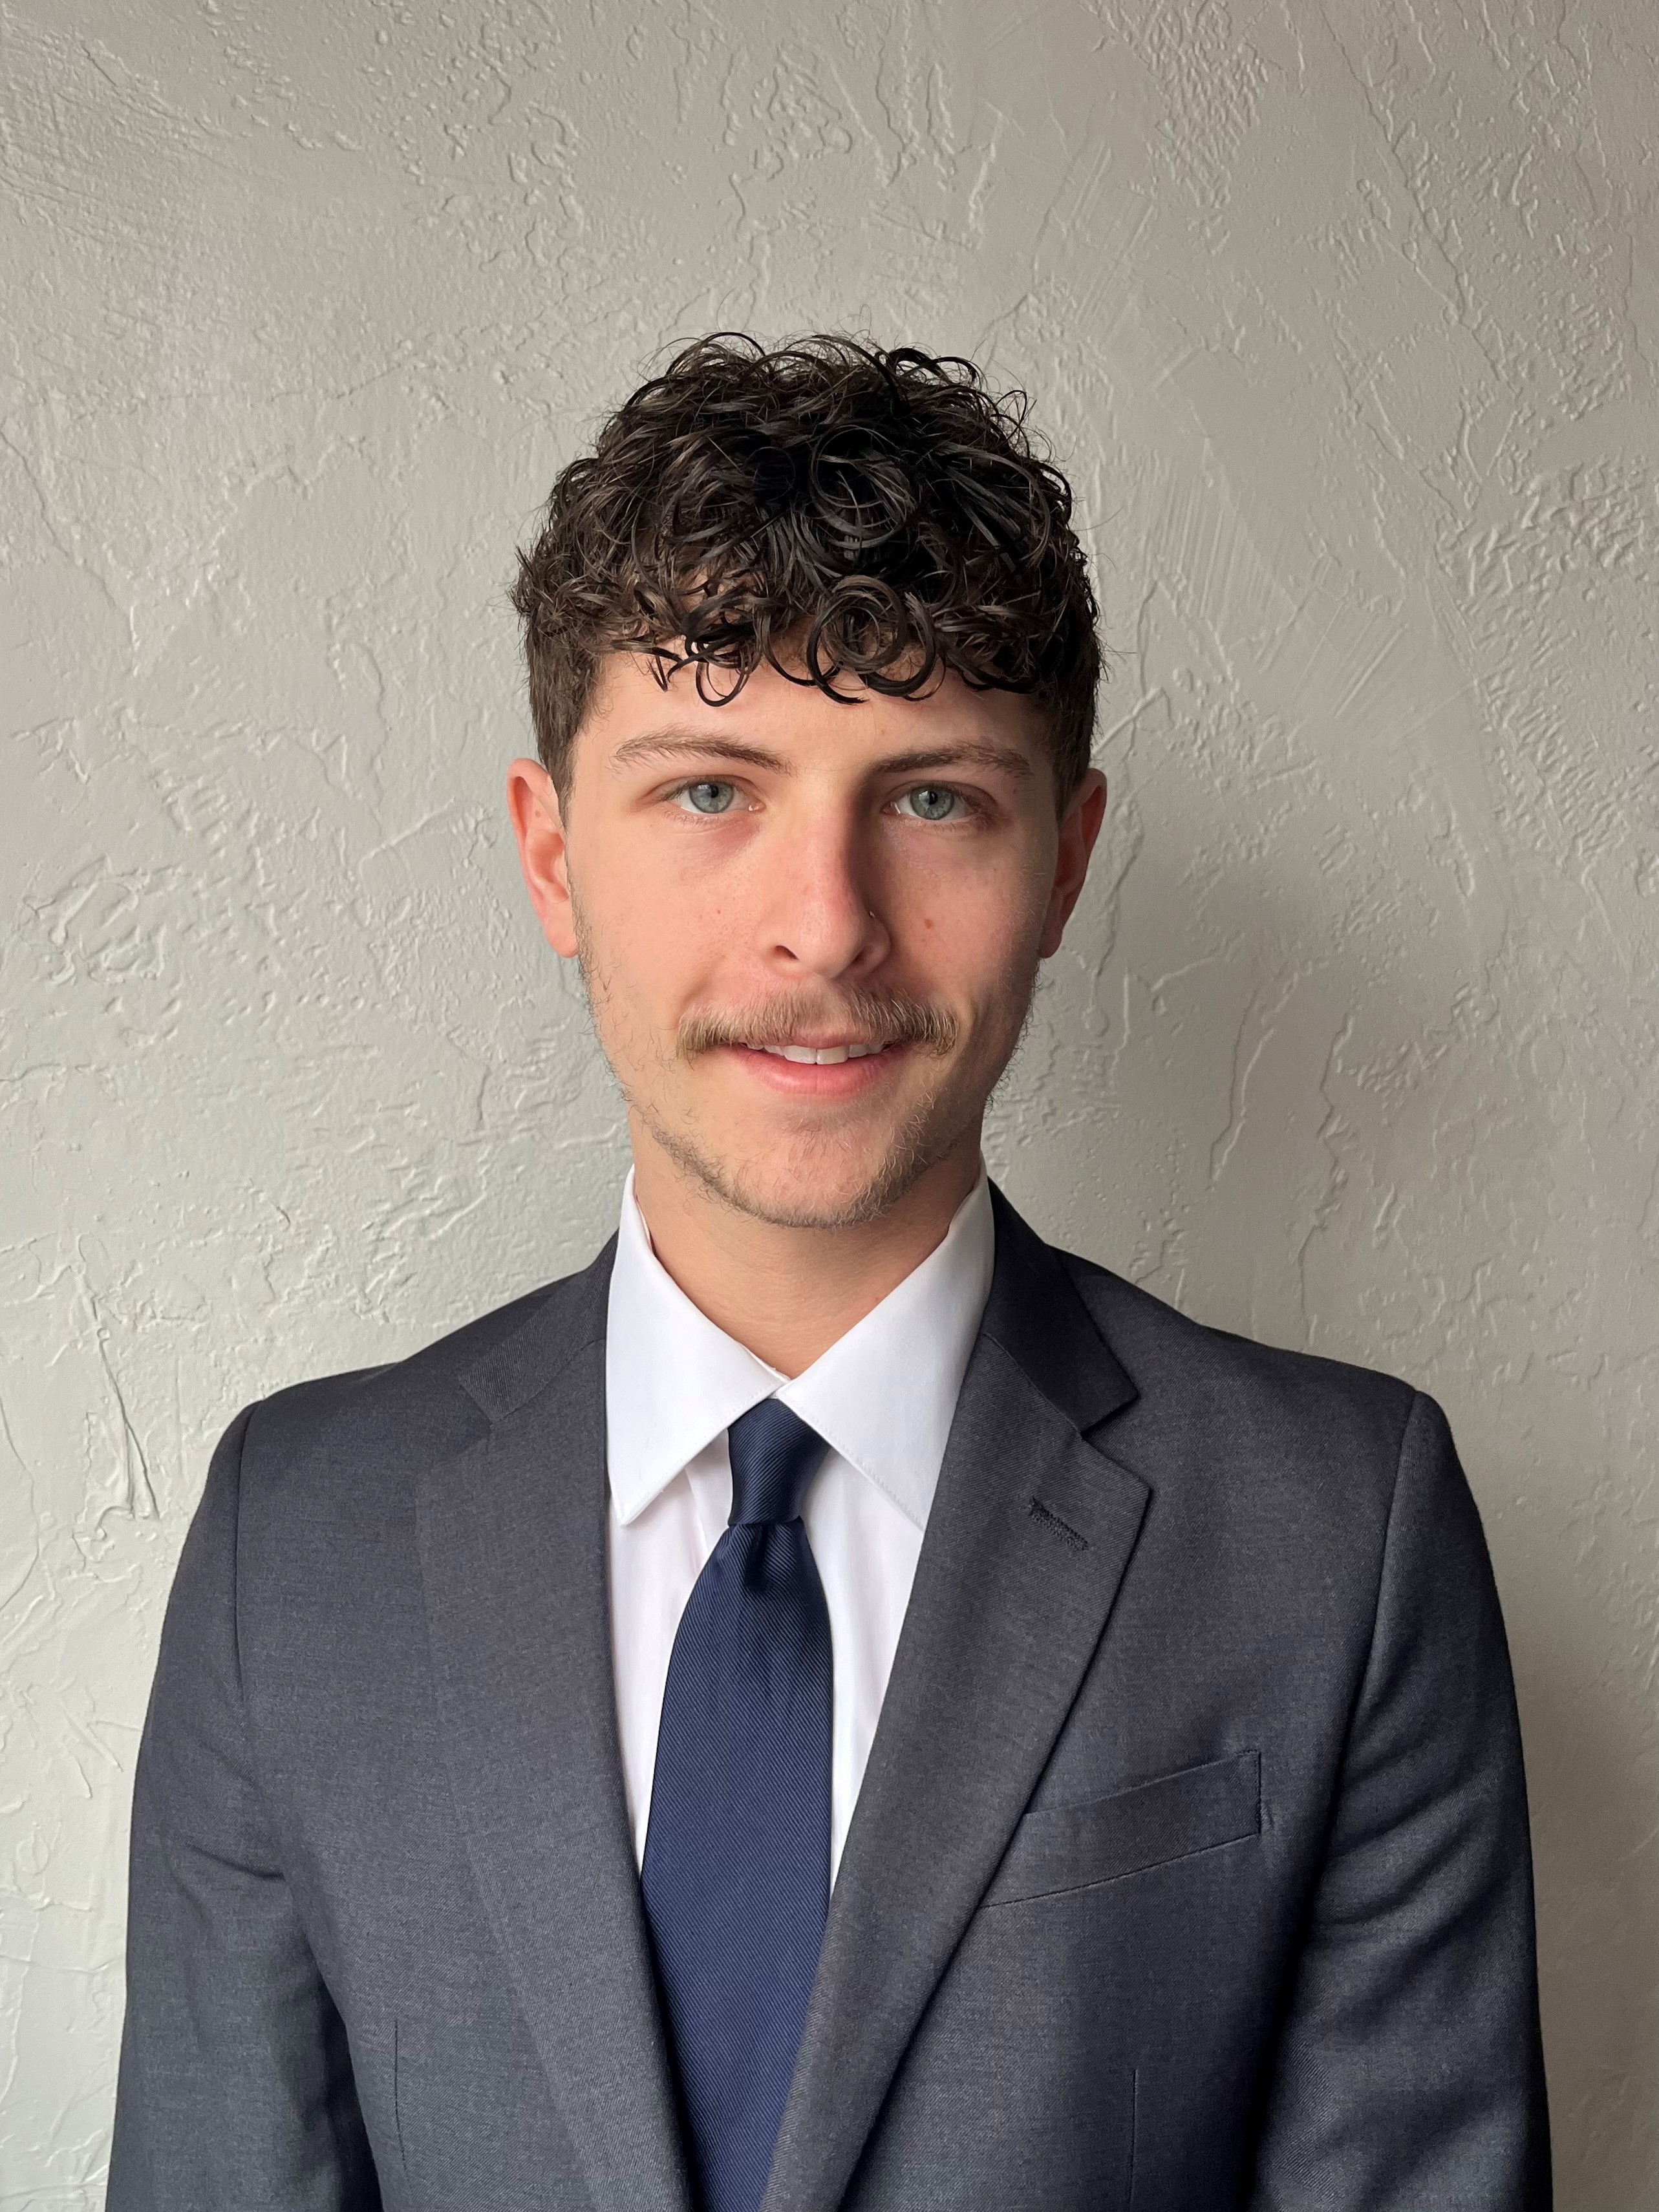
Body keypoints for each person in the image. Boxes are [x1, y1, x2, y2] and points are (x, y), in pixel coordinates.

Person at [107, 335, 1550, 2212]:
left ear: (1064, 859)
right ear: (553, 859)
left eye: (934, 797)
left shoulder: (1335, 1535)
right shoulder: (289, 1549)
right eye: (710, 791)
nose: (827, 925)